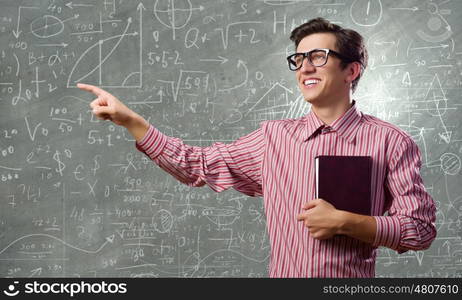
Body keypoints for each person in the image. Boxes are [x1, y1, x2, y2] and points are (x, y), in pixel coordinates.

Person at [77, 18, 436, 277]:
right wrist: (132, 122)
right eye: (299, 59)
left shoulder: (391, 142)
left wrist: (348, 222)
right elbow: (198, 165)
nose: (304, 67)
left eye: (318, 57)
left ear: (351, 71)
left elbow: (420, 230)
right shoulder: (273, 138)